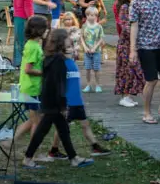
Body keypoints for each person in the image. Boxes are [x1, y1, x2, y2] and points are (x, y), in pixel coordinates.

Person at [22, 29, 95, 169]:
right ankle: (28, 158)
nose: (69, 40)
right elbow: (59, 84)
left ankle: (73, 158)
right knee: (43, 130)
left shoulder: (50, 58)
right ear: (61, 41)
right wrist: (63, 106)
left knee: (63, 130)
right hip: (54, 101)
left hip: (48, 99)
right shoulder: (59, 61)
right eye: (67, 38)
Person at [46, 29, 111, 159]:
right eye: (69, 47)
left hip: (77, 101)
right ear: (61, 49)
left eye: (72, 46)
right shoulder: (61, 64)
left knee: (85, 124)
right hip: (68, 102)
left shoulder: (72, 62)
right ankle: (54, 150)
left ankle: (95, 146)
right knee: (62, 128)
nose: (73, 49)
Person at [13, 15, 50, 146]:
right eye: (46, 28)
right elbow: (28, 69)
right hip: (32, 89)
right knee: (36, 122)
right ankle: (32, 152)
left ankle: (11, 141)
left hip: (31, 87)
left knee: (35, 119)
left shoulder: (32, 44)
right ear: (39, 30)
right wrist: (45, 72)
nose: (47, 30)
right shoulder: (33, 47)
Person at [114, 0, 145, 108]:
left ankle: (129, 96)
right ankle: (124, 97)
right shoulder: (125, 7)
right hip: (125, 45)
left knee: (133, 70)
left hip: (133, 44)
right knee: (126, 70)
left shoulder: (135, 7)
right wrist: (137, 33)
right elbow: (124, 25)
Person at [82, 7, 105, 93]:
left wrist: (95, 47)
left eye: (94, 15)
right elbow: (82, 37)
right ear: (87, 16)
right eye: (90, 15)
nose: (92, 17)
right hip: (87, 52)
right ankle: (88, 84)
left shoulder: (99, 27)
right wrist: (85, 47)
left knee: (96, 69)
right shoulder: (84, 26)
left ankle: (97, 85)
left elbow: (101, 38)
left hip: (96, 52)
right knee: (87, 69)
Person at [12, 0, 33, 69]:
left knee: (18, 39)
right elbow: (28, 7)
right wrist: (31, 18)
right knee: (24, 40)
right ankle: (24, 62)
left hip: (17, 17)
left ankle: (17, 61)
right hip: (24, 18)